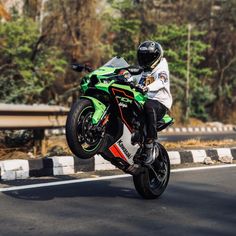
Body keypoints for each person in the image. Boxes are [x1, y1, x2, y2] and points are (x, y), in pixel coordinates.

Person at [132, 41, 173, 164]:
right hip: (143, 99)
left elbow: (161, 81)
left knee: (149, 106)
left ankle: (150, 143)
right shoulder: (144, 69)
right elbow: (132, 77)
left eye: (148, 57)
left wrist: (147, 88)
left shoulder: (162, 68)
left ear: (156, 56)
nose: (144, 59)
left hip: (159, 103)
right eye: (142, 56)